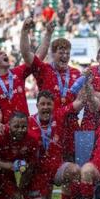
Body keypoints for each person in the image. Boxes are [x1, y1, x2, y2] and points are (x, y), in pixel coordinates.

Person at [20, 17, 81, 162]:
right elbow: (26, 55)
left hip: (71, 124)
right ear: (52, 54)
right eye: (61, 52)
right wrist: (44, 34)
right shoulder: (44, 69)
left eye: (67, 53)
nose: (65, 56)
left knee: (71, 165)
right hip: (49, 123)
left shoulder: (76, 73)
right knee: (44, 164)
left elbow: (80, 97)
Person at [0, 20, 53, 134]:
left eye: (4, 53)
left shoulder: (17, 73)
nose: (4, 54)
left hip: (25, 129)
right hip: (5, 131)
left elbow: (37, 58)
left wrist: (48, 34)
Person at [26, 90, 82, 199]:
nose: (45, 107)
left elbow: (78, 103)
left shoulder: (59, 116)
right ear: (37, 105)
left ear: (53, 105)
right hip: (37, 172)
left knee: (74, 170)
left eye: (49, 104)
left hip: (56, 167)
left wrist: (85, 79)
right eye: (42, 104)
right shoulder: (28, 122)